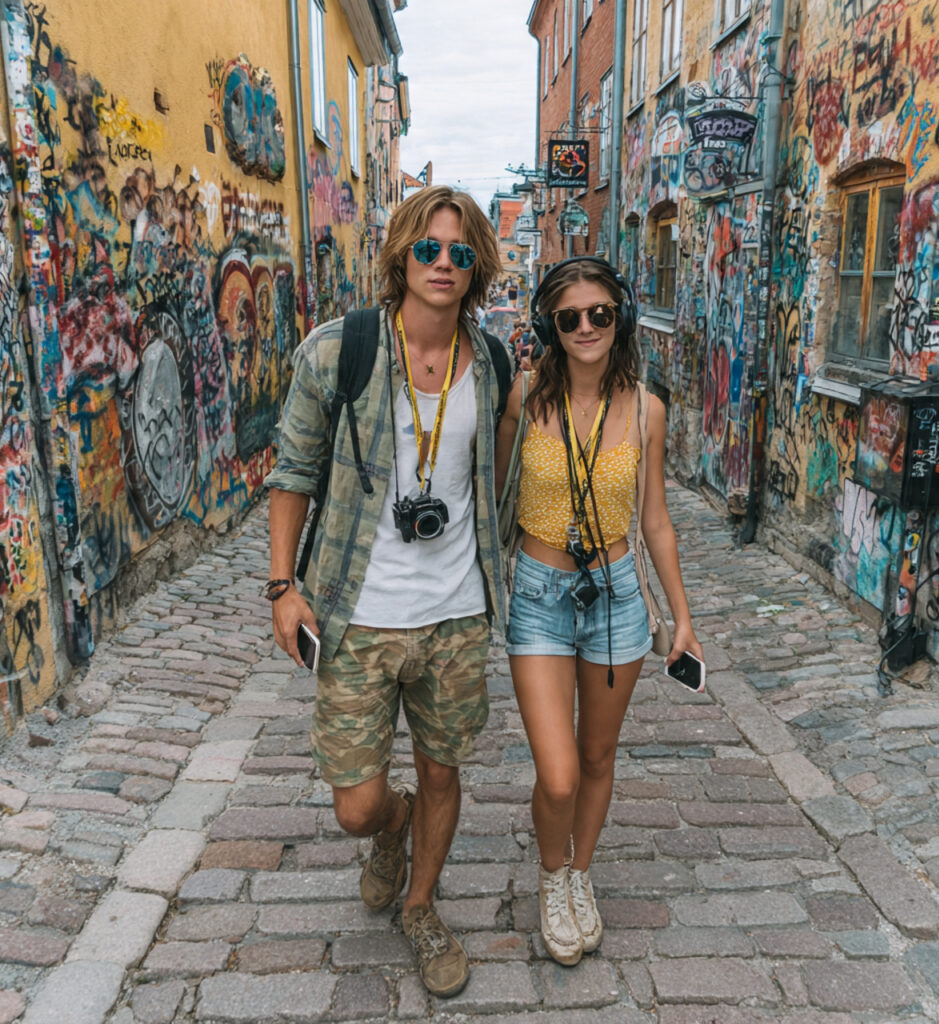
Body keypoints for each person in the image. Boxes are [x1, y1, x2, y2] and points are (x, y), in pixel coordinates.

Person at [265, 185, 507, 998]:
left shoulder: (495, 363)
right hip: (357, 612)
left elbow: (501, 478)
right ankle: (391, 829)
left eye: (461, 253)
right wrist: (282, 587)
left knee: (444, 768)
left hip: (456, 614)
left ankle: (422, 906)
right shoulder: (342, 350)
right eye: (430, 249)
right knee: (356, 806)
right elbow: (293, 470)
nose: (444, 264)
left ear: (478, 269)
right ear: (402, 254)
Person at [494, 256, 703, 966]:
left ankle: (581, 876)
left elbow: (656, 522)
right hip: (540, 596)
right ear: (550, 326)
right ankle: (554, 878)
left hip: (615, 595)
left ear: (622, 318)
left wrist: (682, 618)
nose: (586, 327)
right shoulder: (524, 397)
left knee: (597, 755)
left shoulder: (647, 409)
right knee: (556, 772)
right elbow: (492, 497)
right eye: (569, 317)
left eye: (600, 314)